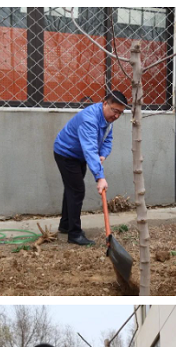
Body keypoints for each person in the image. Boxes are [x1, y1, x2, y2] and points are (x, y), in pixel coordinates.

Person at [53, 91, 128, 245]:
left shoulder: (108, 120)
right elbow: (89, 148)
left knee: (72, 189)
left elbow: (107, 140)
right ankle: (74, 234)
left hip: (79, 155)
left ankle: (66, 225)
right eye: (115, 111)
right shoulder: (89, 119)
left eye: (121, 113)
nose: (117, 116)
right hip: (66, 153)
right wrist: (100, 177)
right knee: (77, 190)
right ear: (105, 103)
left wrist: (103, 155)